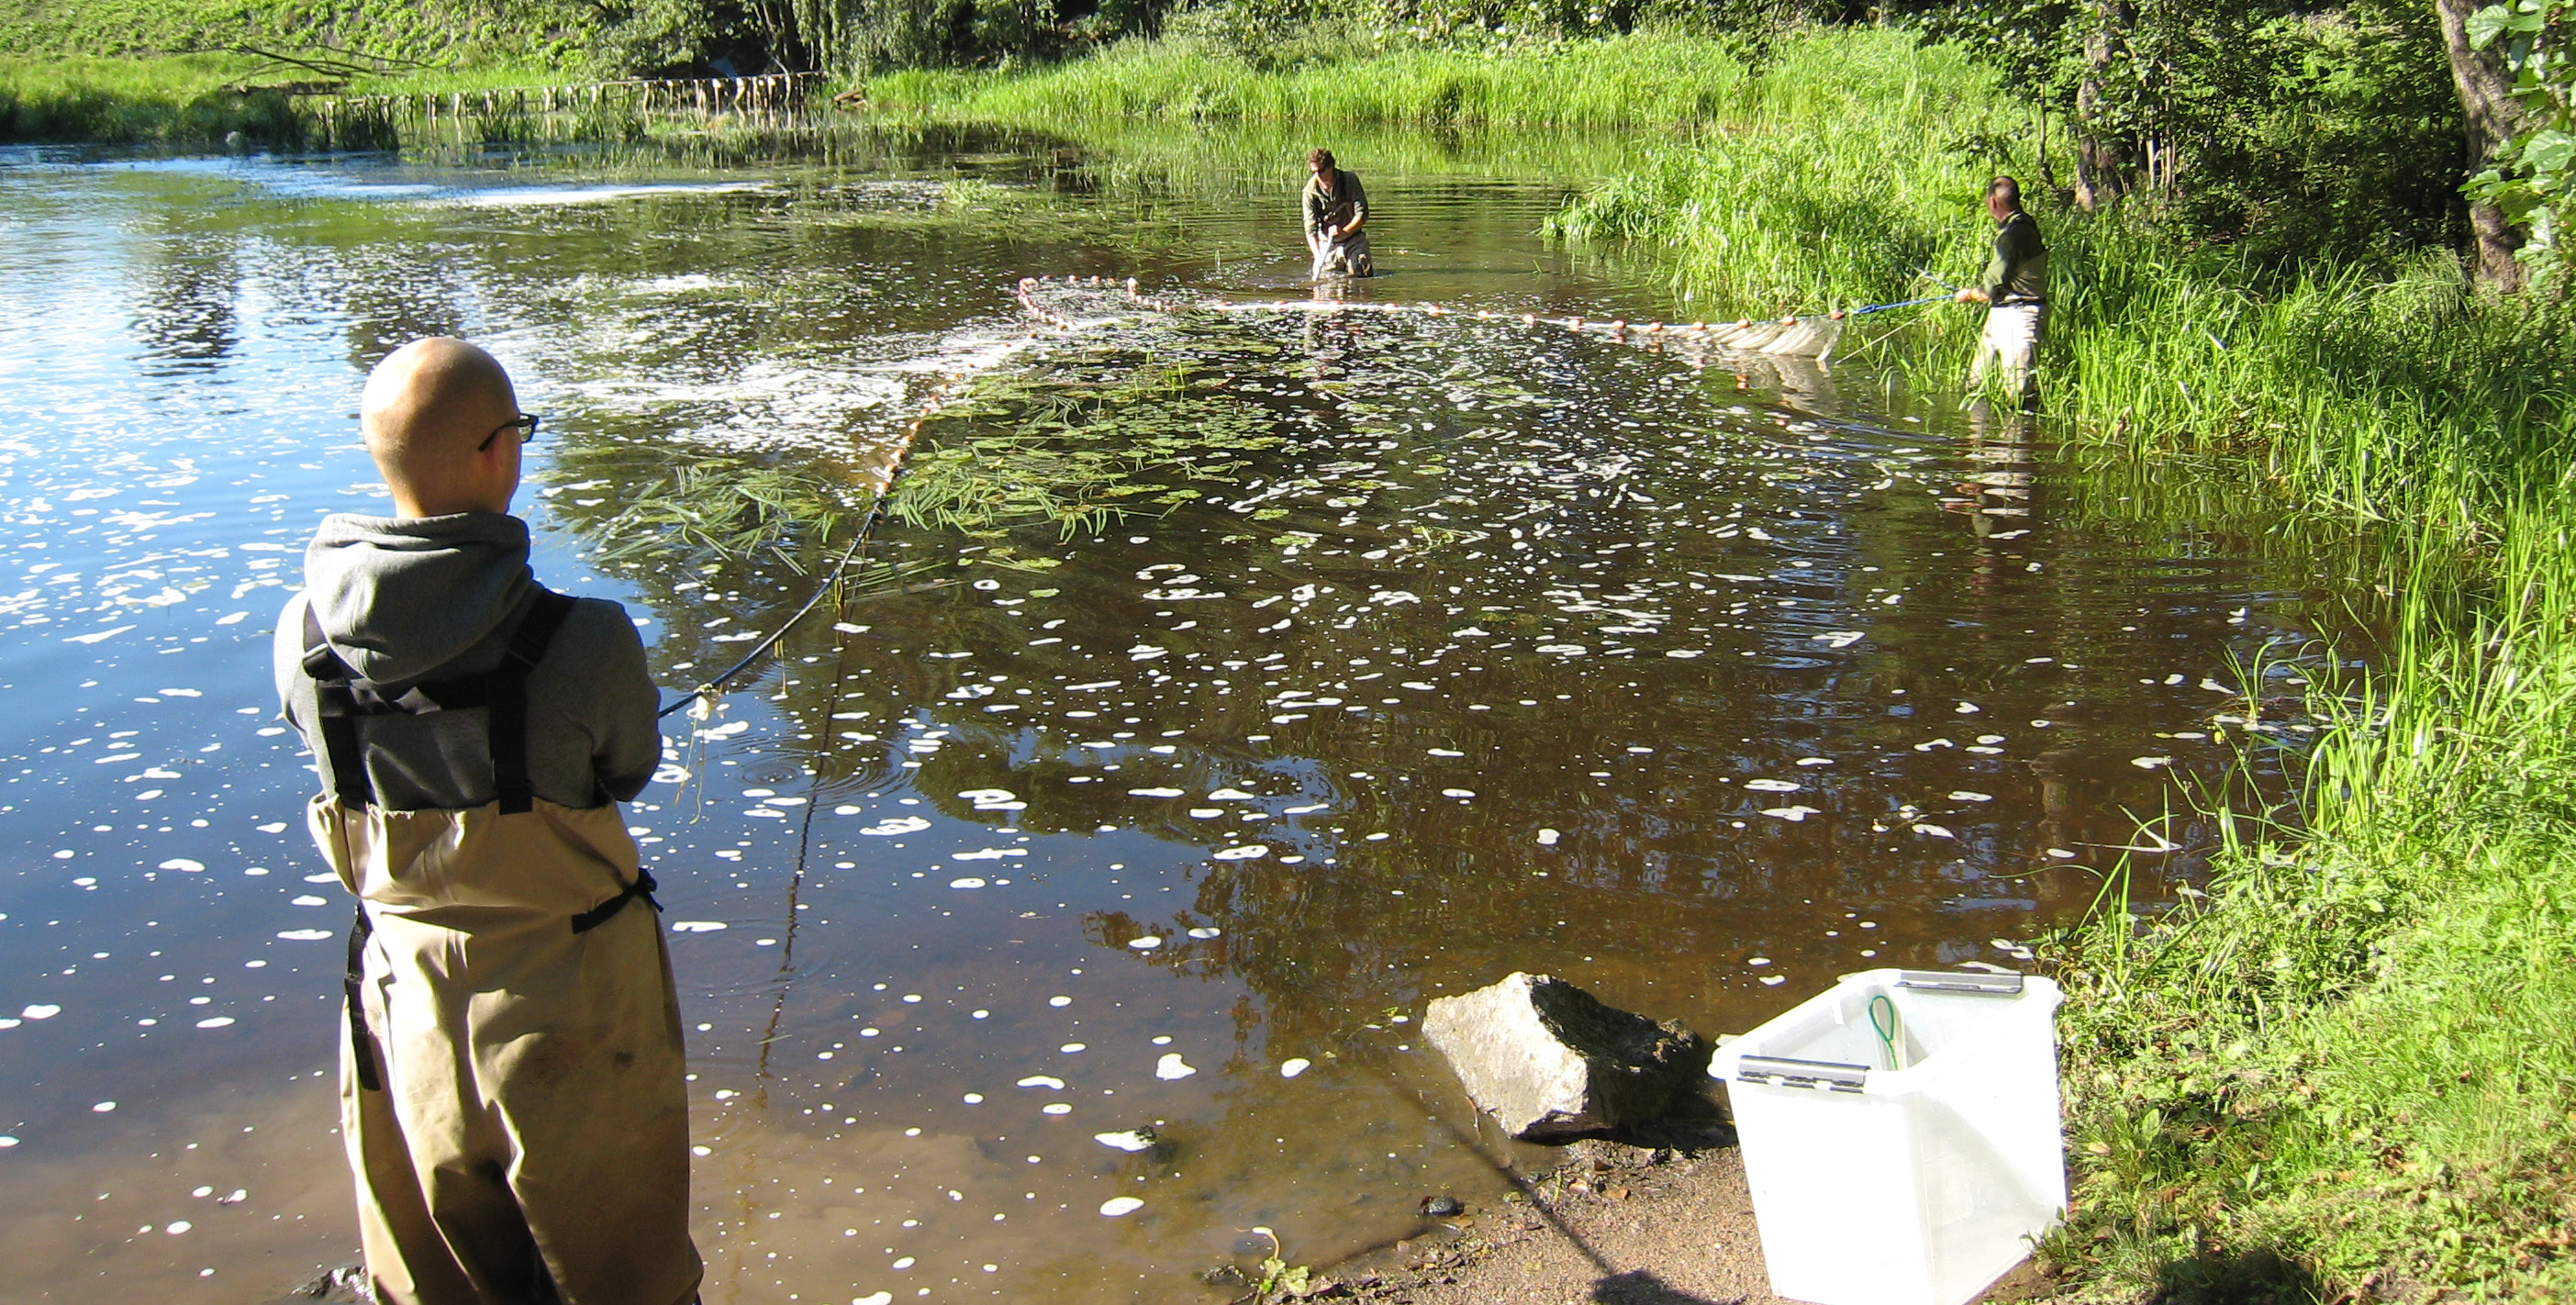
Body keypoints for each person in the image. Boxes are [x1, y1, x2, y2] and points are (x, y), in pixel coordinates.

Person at [273, 337, 699, 1305]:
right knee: (624, 1280)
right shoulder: (583, 638)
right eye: (518, 433)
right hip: (575, 1000)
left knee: (435, 1279)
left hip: (401, 998)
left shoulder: (298, 637)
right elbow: (625, 768)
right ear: (494, 452)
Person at [1953, 175, 2048, 399]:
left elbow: (1987, 290)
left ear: (1993, 202)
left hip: (2020, 317)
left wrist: (1967, 294)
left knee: (2018, 394)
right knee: (1976, 383)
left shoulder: (2011, 236)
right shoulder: (2024, 224)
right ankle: (1977, 431)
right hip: (2006, 312)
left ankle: (2019, 433)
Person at [1303, 148, 1373, 279]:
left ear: (1331, 167)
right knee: (1327, 282)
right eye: (1314, 172)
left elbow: (1362, 214)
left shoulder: (1349, 180)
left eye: (1321, 171)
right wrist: (1318, 258)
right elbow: (1310, 230)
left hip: (1354, 239)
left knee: (1362, 272)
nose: (1318, 176)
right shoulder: (1309, 191)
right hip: (1327, 243)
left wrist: (1344, 232)